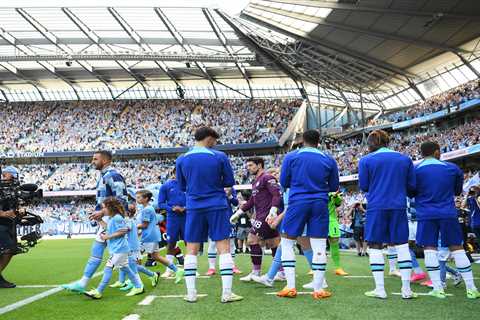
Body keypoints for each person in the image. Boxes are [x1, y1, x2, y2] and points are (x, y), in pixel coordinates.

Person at [176, 126, 242, 303]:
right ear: (209, 138)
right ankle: (226, 293)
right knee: (224, 247)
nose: (215, 143)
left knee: (191, 249)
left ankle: (191, 294)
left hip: (194, 206)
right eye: (214, 140)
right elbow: (229, 182)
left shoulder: (181, 159)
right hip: (217, 205)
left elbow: (182, 186)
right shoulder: (219, 156)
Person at [277, 129, 339, 300]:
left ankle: (290, 287)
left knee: (287, 242)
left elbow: (283, 182)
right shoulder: (329, 159)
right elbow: (334, 187)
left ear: (302, 140)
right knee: (319, 246)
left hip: (298, 202)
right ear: (319, 141)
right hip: (320, 203)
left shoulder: (291, 156)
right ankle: (318, 290)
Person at [413, 141, 479, 299]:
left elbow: (411, 192)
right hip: (448, 212)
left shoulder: (415, 170)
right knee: (457, 248)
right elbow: (457, 191)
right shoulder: (452, 168)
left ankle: (438, 288)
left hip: (426, 214)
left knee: (430, 249)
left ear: (422, 154)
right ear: (437, 152)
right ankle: (472, 289)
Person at [358, 130, 416, 299]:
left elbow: (365, 186)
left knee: (375, 246)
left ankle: (380, 289)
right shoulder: (404, 159)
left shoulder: (366, 160)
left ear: (370, 144)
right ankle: (406, 290)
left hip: (376, 206)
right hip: (398, 206)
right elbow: (412, 186)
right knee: (402, 245)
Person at [63, 151, 129, 293]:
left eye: (95, 159)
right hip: (107, 218)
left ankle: (84, 283)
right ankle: (83, 282)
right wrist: (97, 211)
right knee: (108, 252)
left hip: (114, 220)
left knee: (121, 253)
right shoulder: (104, 176)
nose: (92, 161)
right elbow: (106, 200)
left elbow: (122, 198)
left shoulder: (113, 175)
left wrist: (103, 212)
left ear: (105, 160)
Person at [230, 157, 282, 282]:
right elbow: (252, 201)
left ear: (259, 165)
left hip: (266, 216)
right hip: (262, 215)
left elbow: (277, 195)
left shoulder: (267, 178)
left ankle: (256, 272)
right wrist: (238, 212)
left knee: (252, 239)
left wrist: (273, 211)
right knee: (274, 242)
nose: (248, 168)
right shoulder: (255, 181)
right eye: (247, 165)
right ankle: (281, 272)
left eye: (251, 165)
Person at [84, 197, 144, 299]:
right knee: (126, 268)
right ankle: (139, 286)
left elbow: (123, 231)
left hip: (120, 249)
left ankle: (99, 291)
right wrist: (100, 220)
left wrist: (107, 237)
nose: (103, 210)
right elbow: (109, 228)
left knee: (108, 268)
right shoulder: (113, 218)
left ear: (110, 208)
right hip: (118, 249)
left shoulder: (117, 218)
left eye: (104, 208)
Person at [136, 189, 184, 283]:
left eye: (139, 197)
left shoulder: (146, 210)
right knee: (155, 256)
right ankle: (177, 270)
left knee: (135, 258)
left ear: (146, 199)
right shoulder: (148, 208)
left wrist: (132, 226)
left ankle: (140, 280)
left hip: (148, 237)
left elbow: (145, 225)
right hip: (153, 235)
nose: (137, 199)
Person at [110, 201, 159, 291]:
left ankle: (147, 278)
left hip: (131, 246)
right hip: (130, 246)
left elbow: (126, 230)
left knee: (131, 266)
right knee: (124, 264)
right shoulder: (129, 220)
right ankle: (124, 282)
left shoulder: (127, 220)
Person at [157, 168, 187, 278]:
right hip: (172, 218)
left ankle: (190, 268)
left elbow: (194, 199)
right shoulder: (166, 186)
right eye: (178, 173)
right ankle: (169, 270)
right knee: (171, 243)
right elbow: (160, 204)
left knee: (189, 242)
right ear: (173, 173)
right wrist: (172, 208)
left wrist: (186, 208)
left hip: (186, 217)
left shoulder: (189, 185)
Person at [205, 187, 242, 276]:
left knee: (231, 242)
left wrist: (229, 196)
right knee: (213, 242)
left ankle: (232, 266)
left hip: (228, 218)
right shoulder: (211, 184)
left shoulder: (230, 187)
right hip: (214, 217)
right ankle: (211, 268)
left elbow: (236, 203)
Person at [0, 166, 21, 288]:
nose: (14, 178)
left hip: (9, 224)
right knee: (9, 249)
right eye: (12, 175)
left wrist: (19, 212)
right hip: (1, 224)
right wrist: (3, 213)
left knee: (10, 250)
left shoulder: (11, 190)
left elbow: (11, 208)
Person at [327, 191, 348, 276]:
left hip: (332, 220)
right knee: (316, 242)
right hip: (318, 219)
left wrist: (335, 196)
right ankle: (313, 268)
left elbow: (338, 203)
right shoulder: (315, 189)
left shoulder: (333, 193)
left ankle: (338, 268)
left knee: (334, 243)